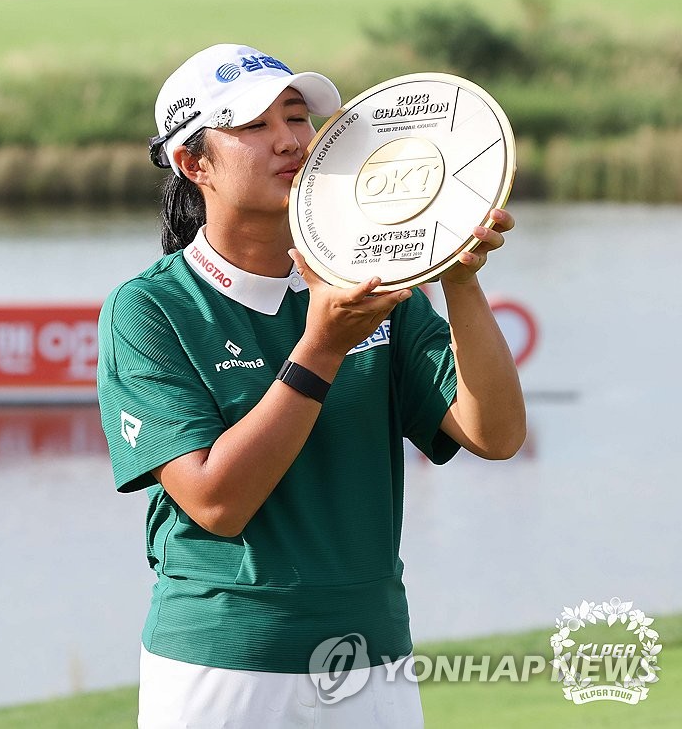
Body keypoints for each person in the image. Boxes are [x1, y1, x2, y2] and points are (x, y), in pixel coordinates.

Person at [97, 43, 526, 728]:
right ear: (193, 162)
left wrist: (459, 277)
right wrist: (322, 347)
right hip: (221, 661)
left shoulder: (375, 287)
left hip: (373, 656)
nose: (290, 141)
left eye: (296, 118)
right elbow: (216, 503)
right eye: (254, 126)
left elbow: (495, 434)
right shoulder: (149, 309)